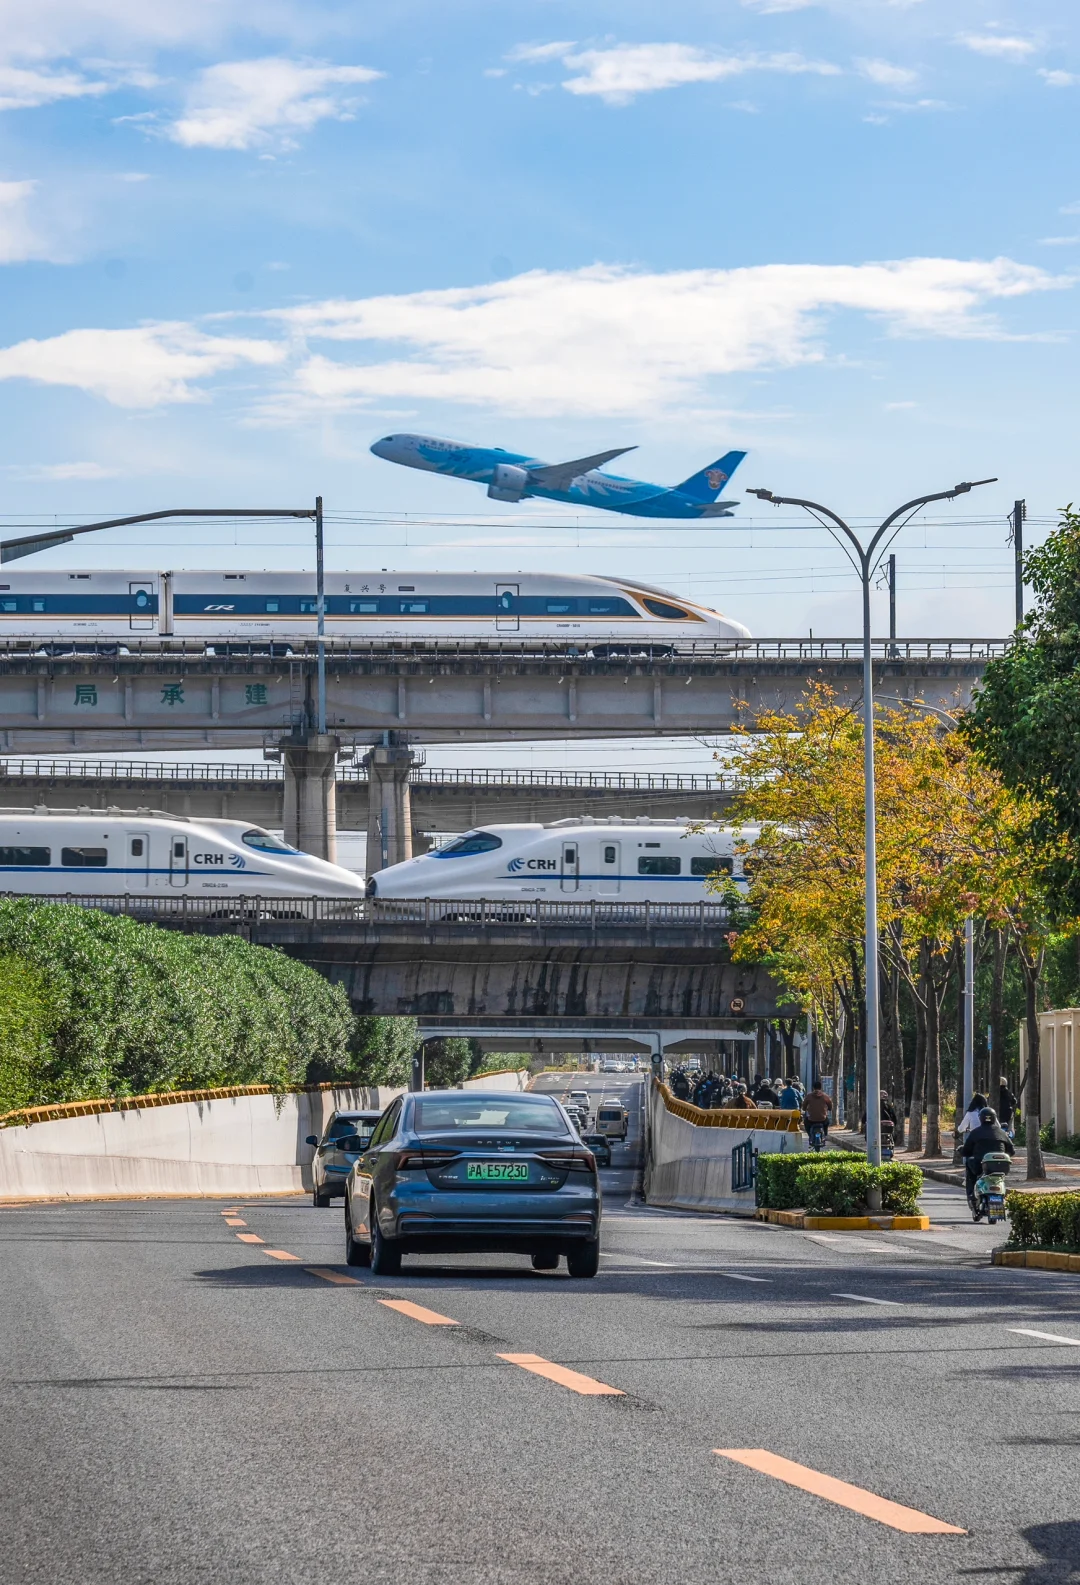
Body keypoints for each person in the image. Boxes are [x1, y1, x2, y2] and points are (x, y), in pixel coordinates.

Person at [961, 1107, 1015, 1210]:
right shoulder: (1002, 1133)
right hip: (1001, 1168)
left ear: (980, 1118)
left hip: (979, 1166)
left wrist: (962, 1151)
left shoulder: (975, 1133)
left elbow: (966, 1150)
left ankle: (971, 1194)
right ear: (995, 1118)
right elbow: (1012, 1151)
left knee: (969, 1163)